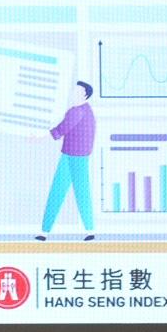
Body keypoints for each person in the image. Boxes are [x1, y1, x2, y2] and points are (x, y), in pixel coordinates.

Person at [36, 82, 97, 241]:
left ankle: (46, 231)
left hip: (75, 157)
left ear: (85, 95)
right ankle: (46, 231)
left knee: (69, 193)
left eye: (77, 91)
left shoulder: (77, 112)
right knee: (68, 192)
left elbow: (62, 128)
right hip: (73, 155)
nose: (73, 93)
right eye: (74, 90)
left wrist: (41, 136)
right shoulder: (86, 110)